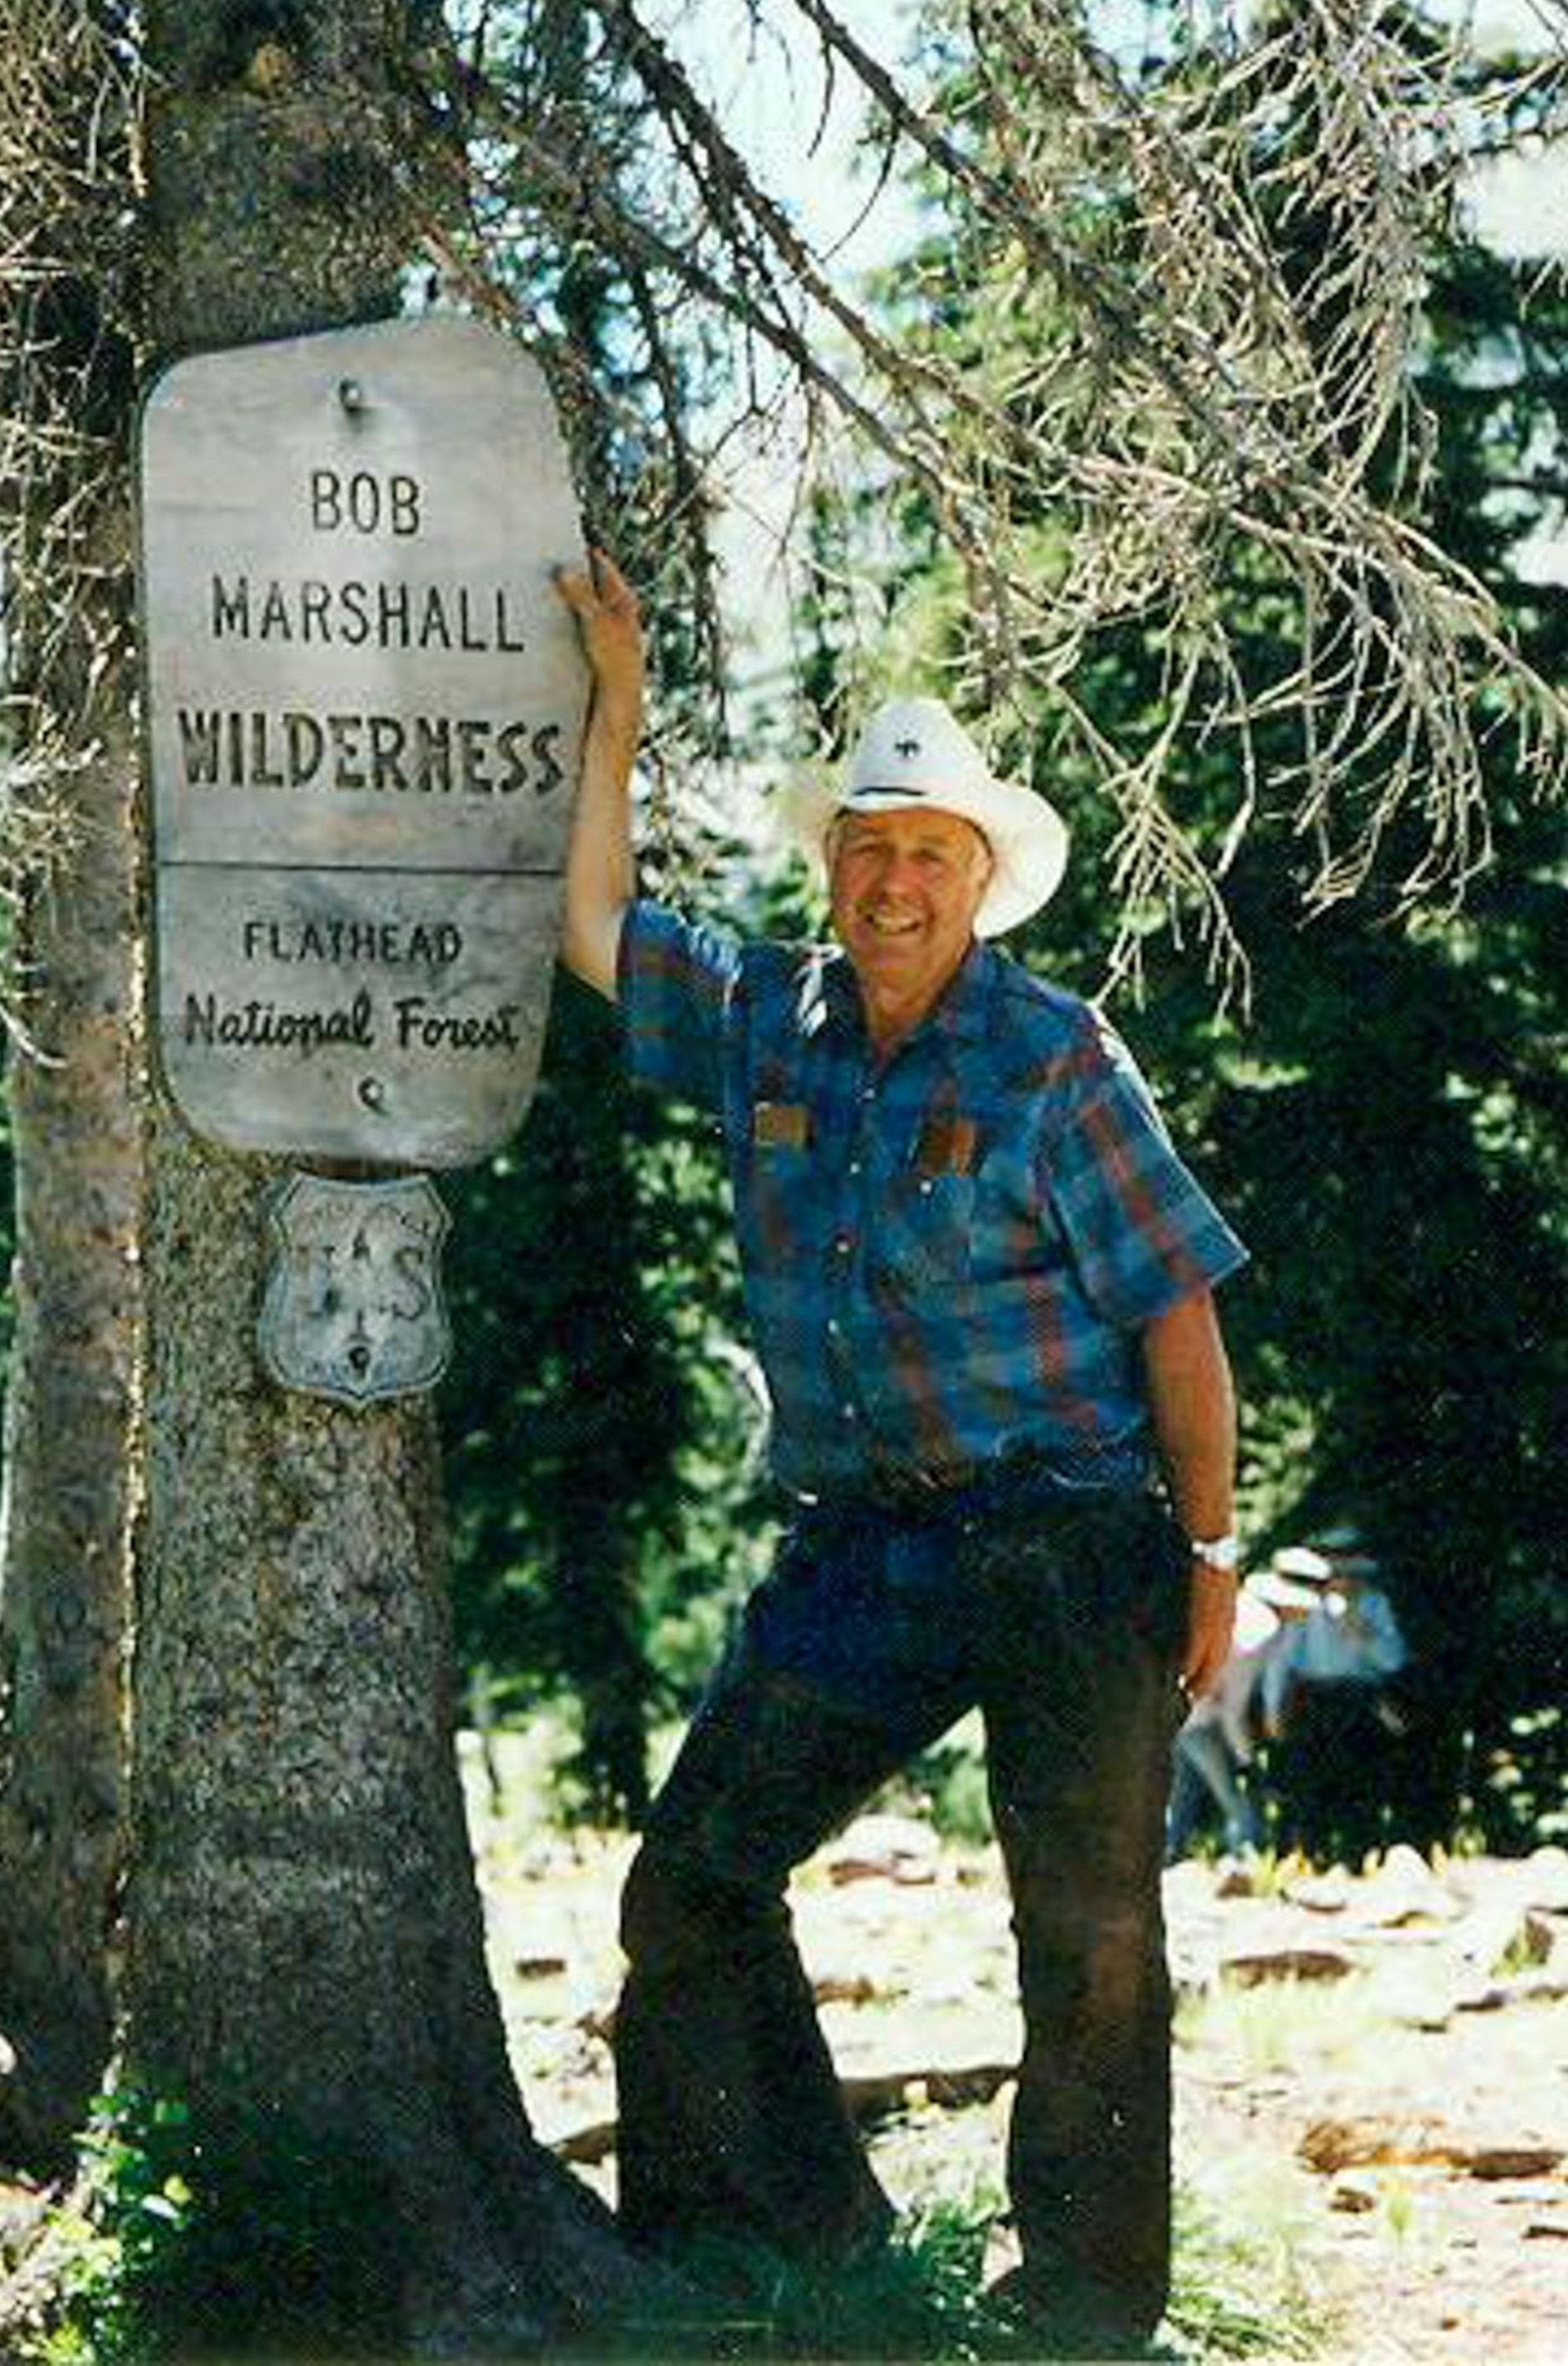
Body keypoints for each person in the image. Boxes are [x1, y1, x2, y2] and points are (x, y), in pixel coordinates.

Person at [555, 553, 1248, 2358]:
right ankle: (794, 2248)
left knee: (1086, 1935)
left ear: (976, 881)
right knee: (689, 1884)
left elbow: (1176, 1312)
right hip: (863, 1544)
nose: (889, 884)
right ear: (829, 868)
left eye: (926, 855)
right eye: (865, 849)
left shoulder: (1051, 1054)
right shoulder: (764, 1020)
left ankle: (1084, 2314)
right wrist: (613, 706)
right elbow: (593, 934)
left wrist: (1208, 1555)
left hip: (1069, 1536)